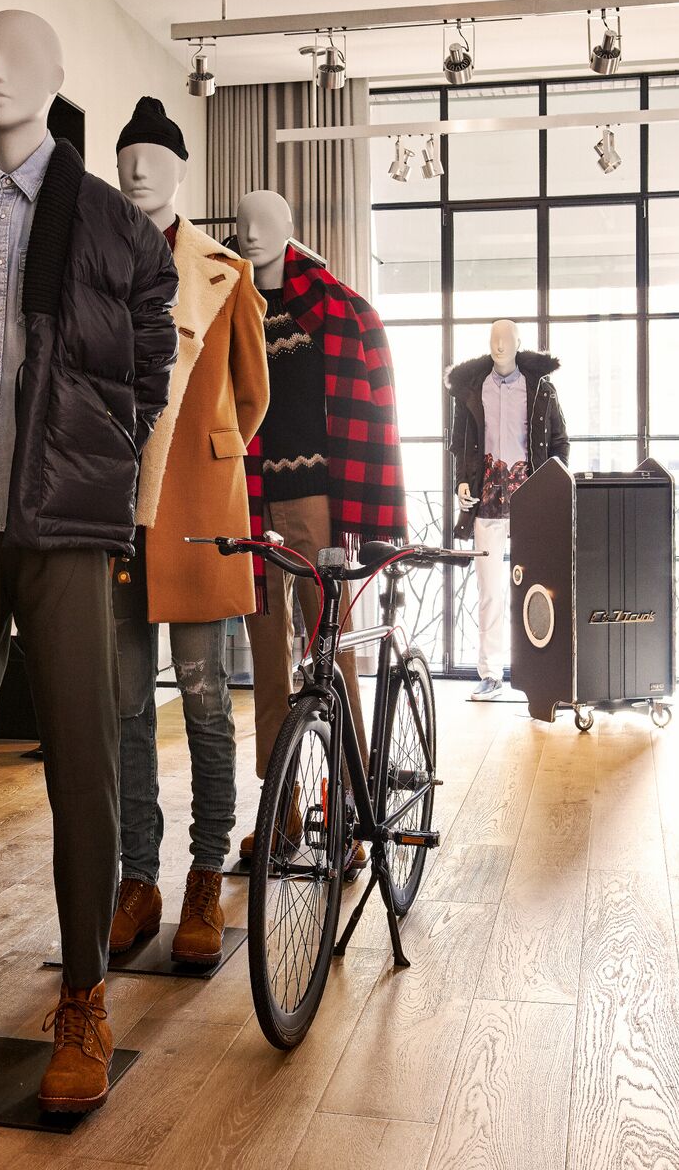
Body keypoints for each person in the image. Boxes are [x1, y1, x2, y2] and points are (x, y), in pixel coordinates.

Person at [0, 11, 178, 1114]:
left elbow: (148, 367)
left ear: (56, 78)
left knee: (83, 765)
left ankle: (86, 998)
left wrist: (101, 463)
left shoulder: (112, 226)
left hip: (62, 526)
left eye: (16, 56)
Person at [111, 98, 268, 965]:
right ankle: (138, 878)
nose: (139, 170)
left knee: (206, 703)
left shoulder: (227, 273)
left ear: (181, 171)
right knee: (125, 706)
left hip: (202, 509)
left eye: (155, 157)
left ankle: (206, 873)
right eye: (127, 156)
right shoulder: (92, 259)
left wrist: (204, 458)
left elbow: (251, 395)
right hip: (111, 509)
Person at [235, 190, 406, 864]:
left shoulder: (339, 310)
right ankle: (280, 807)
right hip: (248, 501)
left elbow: (372, 416)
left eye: (264, 222)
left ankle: (349, 802)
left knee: (331, 657)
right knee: (266, 662)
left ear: (289, 230)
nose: (251, 233)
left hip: (317, 507)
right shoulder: (229, 303)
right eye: (242, 223)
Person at [446, 319, 569, 700]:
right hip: (485, 502)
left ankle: (537, 671)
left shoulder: (541, 390)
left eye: (506, 339)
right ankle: (490, 674)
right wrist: (462, 482)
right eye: (494, 339)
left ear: (518, 343)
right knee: (489, 591)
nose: (499, 345)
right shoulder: (472, 389)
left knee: (537, 588)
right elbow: (459, 445)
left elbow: (560, 442)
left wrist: (552, 486)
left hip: (530, 501)